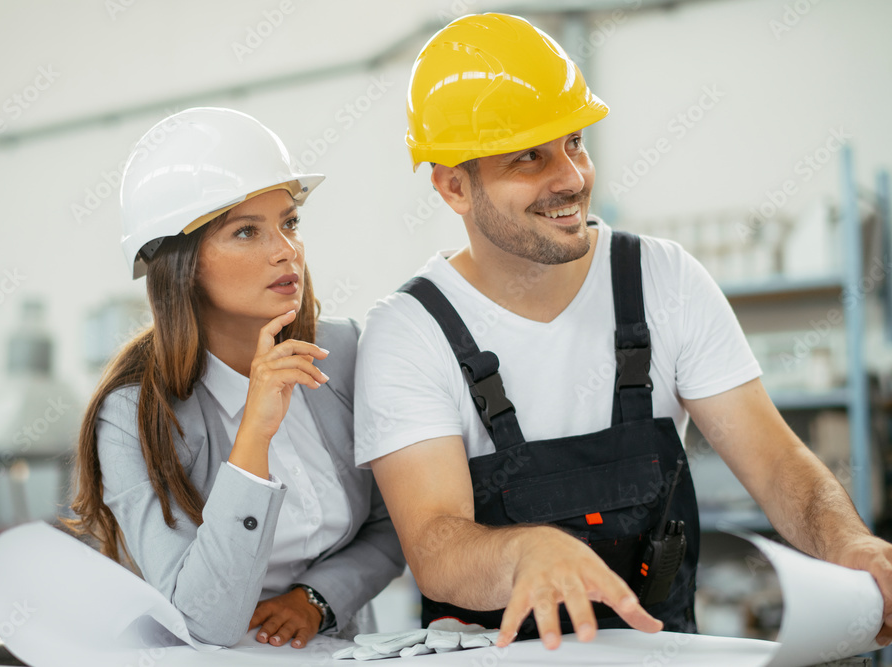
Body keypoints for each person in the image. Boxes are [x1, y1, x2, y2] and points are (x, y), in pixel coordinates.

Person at [354, 12, 892, 651]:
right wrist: (523, 552)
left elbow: (776, 462)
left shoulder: (663, 280)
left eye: (574, 141)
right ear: (452, 186)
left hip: (666, 651)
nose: (572, 178)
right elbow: (436, 543)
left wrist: (848, 542)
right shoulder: (410, 333)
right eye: (529, 155)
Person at [66, 107, 404, 649]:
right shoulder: (133, 416)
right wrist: (255, 433)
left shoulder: (344, 353)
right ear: (182, 264)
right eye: (246, 231)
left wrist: (316, 599)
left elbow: (394, 524)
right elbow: (202, 621)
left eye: (289, 222)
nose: (285, 250)